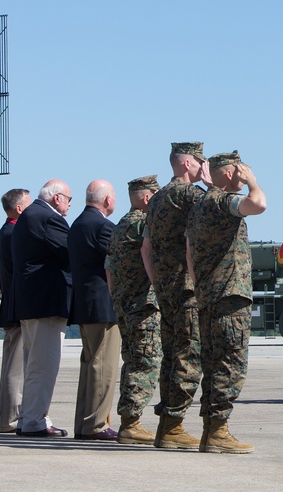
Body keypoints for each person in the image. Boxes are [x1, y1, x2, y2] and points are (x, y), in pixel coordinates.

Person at [186, 151, 266, 454]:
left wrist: (201, 286)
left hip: (208, 295)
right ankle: (218, 430)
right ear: (231, 173)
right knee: (229, 364)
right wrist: (253, 183)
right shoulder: (223, 201)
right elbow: (258, 204)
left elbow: (189, 252)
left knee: (212, 362)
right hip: (229, 296)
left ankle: (211, 430)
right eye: (239, 171)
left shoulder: (199, 206)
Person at [143, 142, 209, 448]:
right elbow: (213, 215)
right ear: (187, 163)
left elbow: (145, 248)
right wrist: (211, 184)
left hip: (166, 287)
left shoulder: (156, 198)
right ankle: (173, 425)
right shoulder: (189, 194)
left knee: (171, 356)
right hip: (185, 288)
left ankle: (166, 425)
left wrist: (157, 281)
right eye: (199, 162)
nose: (202, 167)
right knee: (189, 355)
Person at [13, 179, 73, 437]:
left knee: (33, 365)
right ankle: (35, 421)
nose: (69, 205)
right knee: (44, 366)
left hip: (30, 303)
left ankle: (29, 417)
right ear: (57, 198)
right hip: (46, 303)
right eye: (69, 199)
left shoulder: (29, 215)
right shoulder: (48, 218)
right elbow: (72, 251)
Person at [107, 175, 163, 444]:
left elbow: (109, 269)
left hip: (125, 305)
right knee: (146, 361)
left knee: (132, 360)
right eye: (156, 194)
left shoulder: (120, 226)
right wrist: (160, 290)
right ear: (147, 197)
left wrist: (116, 297)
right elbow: (149, 256)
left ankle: (130, 420)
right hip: (143, 305)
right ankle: (131, 422)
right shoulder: (144, 224)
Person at [68, 180, 120, 440]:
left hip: (85, 305)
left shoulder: (77, 224)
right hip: (102, 306)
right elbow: (120, 261)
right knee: (103, 366)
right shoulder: (102, 226)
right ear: (108, 201)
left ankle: (84, 423)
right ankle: (96, 425)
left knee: (90, 365)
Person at [0, 188, 32, 433]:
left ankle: (4, 417)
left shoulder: (8, 231)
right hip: (17, 307)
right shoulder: (14, 232)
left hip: (13, 305)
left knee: (13, 366)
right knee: (15, 369)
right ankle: (9, 419)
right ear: (19, 208)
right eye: (29, 204)